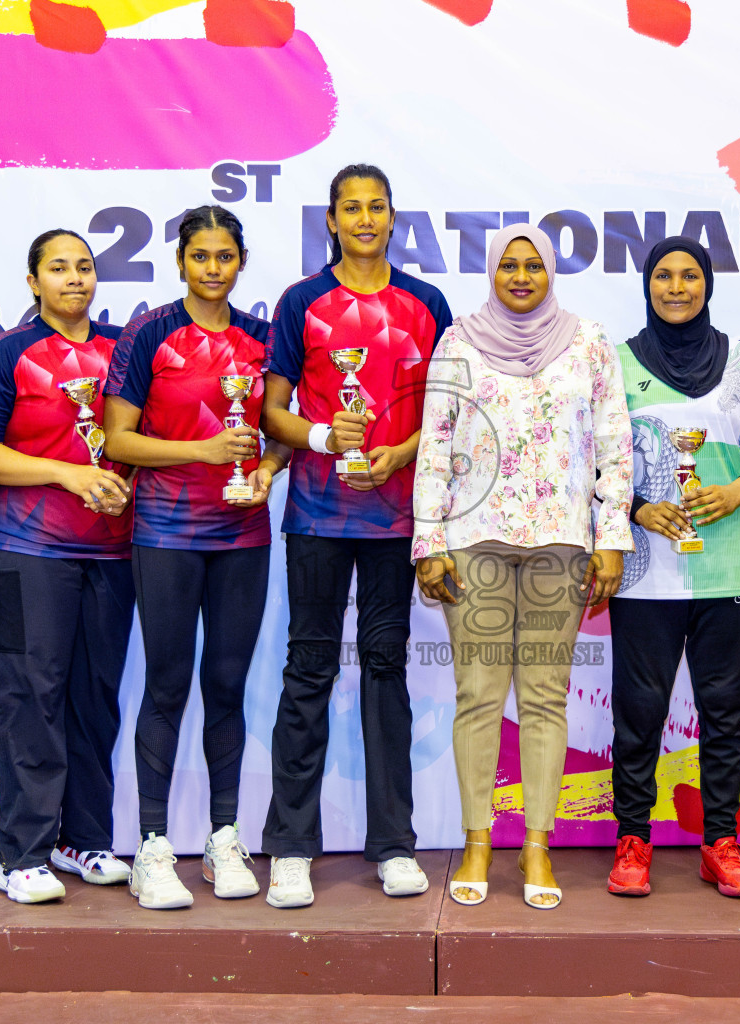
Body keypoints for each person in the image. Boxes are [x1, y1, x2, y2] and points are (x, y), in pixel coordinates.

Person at [414, 225, 631, 910]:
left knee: (543, 697)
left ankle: (536, 846)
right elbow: (436, 439)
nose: (519, 275)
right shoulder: (458, 341)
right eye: (508, 264)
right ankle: (478, 841)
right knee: (479, 695)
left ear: (550, 271)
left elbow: (613, 440)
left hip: (560, 544)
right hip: (473, 540)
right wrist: (428, 541)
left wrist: (611, 535)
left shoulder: (589, 341)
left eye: (532, 264)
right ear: (491, 271)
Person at [259, 164, 452, 908]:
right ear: (331, 220)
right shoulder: (303, 301)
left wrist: (402, 455)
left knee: (385, 670)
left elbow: (446, 411)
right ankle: (291, 847)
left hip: (395, 518)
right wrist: (322, 435)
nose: (365, 218)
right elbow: (273, 411)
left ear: (393, 219)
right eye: (351, 208)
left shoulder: (426, 303)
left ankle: (394, 845)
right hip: (315, 515)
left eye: (377, 207)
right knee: (307, 670)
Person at [103, 205, 287, 910]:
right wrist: (202, 451)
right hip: (166, 531)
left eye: (225, 257)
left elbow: (278, 430)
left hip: (242, 532)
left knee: (229, 685)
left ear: (240, 263)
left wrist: (268, 468)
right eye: (201, 256)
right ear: (181, 262)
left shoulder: (261, 338)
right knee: (168, 683)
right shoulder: (150, 332)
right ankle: (153, 844)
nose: (213, 268)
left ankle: (223, 837)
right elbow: (118, 441)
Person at [0, 229, 135, 904]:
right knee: (28, 701)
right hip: (22, 550)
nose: (74, 278)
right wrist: (65, 473)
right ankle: (20, 854)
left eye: (84, 267)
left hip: (111, 552)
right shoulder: (7, 353)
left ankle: (82, 840)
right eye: (58, 268)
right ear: (33, 282)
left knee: (95, 702)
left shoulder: (122, 350)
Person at [604, 236, 740, 899]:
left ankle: (720, 842)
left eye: (689, 276)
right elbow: (595, 462)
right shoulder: (617, 363)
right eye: (663, 276)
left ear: (708, 284)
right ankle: (633, 841)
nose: (676, 287)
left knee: (722, 713)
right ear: (647, 284)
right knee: (639, 712)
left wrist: (738, 490)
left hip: (728, 569)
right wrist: (639, 506)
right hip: (646, 573)